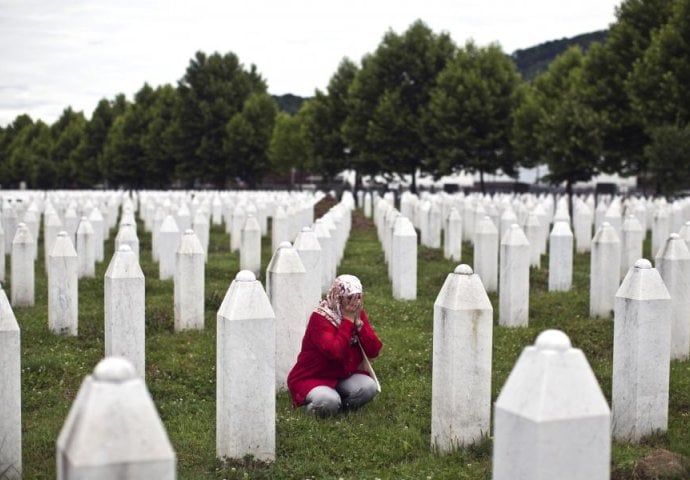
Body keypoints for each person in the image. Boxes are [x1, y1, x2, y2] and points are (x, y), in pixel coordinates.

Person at [287, 274, 382, 417]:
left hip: (342, 374)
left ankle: (339, 412)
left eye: (358, 297)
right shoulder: (320, 318)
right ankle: (314, 411)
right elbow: (335, 352)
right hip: (314, 375)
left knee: (369, 387)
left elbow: (374, 350)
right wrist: (348, 321)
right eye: (350, 298)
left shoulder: (354, 313)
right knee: (328, 401)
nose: (355, 303)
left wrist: (360, 327)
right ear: (338, 297)